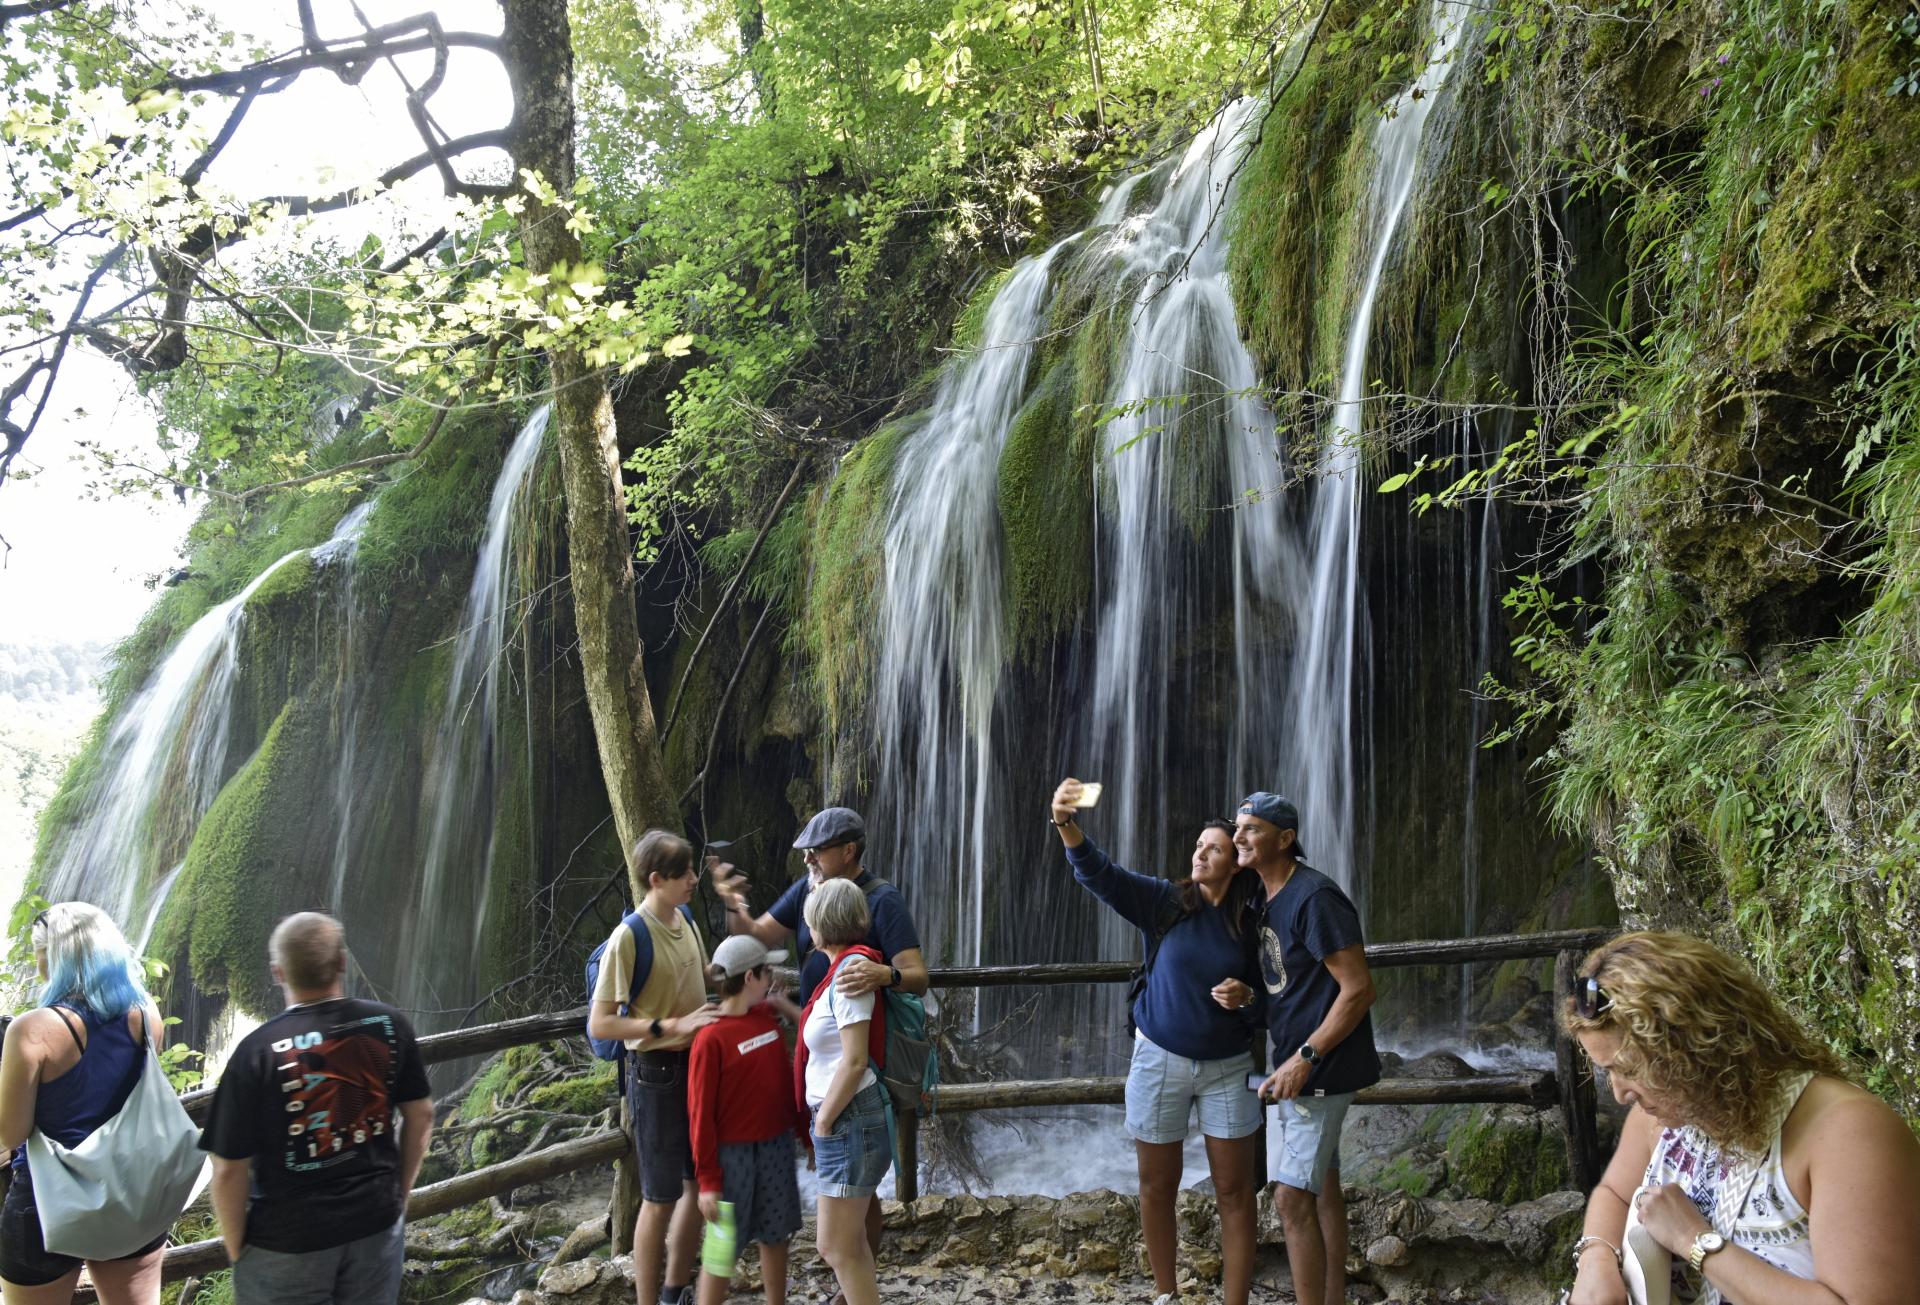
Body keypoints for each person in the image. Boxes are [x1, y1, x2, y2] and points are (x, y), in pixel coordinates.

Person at [1561, 931, 1920, 1305]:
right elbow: (1614, 1193)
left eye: (1630, 1068)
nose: (1620, 1095)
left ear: (1694, 1044)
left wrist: (1695, 1241)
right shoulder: (1667, 1116)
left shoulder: (1849, 1133)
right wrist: (1596, 1260)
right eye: (1608, 1072)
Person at [1049, 779, 1265, 1305]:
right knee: (1156, 1187)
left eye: (1213, 848)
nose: (1200, 853)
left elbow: (1279, 992)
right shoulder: (1165, 902)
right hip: (1159, 1060)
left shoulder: (1257, 918)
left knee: (1236, 1193)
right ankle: (1166, 1295)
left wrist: (1250, 996)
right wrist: (1065, 822)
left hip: (1229, 1068)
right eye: (1197, 846)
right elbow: (1101, 875)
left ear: (1236, 861)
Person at [713, 805, 926, 1270]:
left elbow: (917, 976)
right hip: (821, 1050)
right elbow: (753, 936)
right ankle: (849, 1262)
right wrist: (733, 902)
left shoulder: (881, 901)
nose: (808, 857)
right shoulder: (809, 890)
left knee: (856, 1183)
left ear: (848, 851)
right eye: (805, 849)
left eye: (818, 850)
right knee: (850, 1184)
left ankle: (852, 1268)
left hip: (861, 1055)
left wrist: (882, 974)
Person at [199, 912, 433, 1305]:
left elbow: (227, 1170)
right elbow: (422, 1115)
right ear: (342, 961)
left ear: (277, 973)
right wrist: (400, 1194)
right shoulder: (389, 1024)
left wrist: (237, 1246)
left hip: (287, 1241)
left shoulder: (255, 1051)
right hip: (375, 1223)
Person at [1235, 791, 1379, 1305]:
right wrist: (1250, 997)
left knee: (1289, 1198)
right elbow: (1291, 986)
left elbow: (1358, 988)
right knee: (1322, 1192)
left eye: (1251, 829)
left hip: (1317, 1071)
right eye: (1237, 829)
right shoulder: (1267, 900)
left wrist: (1305, 1058)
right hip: (1303, 1066)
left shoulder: (1314, 897)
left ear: (1285, 838)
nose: (1238, 838)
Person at [0, 903, 167, 1305]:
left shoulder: (32, 1030)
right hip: (130, 1192)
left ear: (51, 956)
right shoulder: (146, 1014)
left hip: (46, 1203)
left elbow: (11, 1132)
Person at [585, 830, 720, 1305]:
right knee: (660, 1199)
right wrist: (672, 1025)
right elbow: (601, 1023)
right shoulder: (630, 937)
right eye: (684, 873)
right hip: (657, 1075)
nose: (694, 879)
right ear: (656, 879)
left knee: (698, 1186)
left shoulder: (687, 920)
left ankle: (673, 1292)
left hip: (699, 1069)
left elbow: (702, 978)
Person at [792, 878, 892, 1305]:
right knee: (846, 1245)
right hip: (847, 1120)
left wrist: (826, 1120)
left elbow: (853, 1061)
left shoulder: (850, 976)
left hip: (849, 1121)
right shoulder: (842, 972)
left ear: (822, 924)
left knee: (835, 1246)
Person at [687, 936, 803, 1305]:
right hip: (730, 1155)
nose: (772, 975)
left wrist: (804, 1135)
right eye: (767, 970)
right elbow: (700, 1114)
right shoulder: (711, 1038)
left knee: (776, 1234)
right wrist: (707, 1181)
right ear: (751, 976)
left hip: (775, 1145)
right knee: (722, 1246)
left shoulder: (767, 1017)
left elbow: (783, 1083)